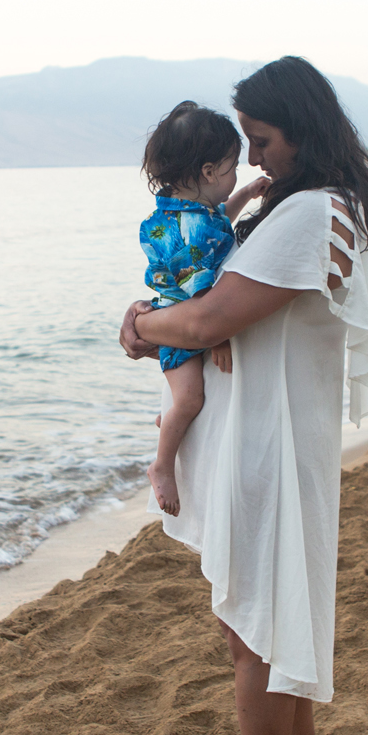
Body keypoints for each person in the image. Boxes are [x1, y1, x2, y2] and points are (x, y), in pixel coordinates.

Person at [120, 57, 368, 735]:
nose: (253, 156)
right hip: (271, 436)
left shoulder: (312, 213)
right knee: (273, 605)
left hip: (268, 443)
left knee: (253, 631)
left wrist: (143, 325)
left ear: (301, 130)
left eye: (262, 139)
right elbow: (205, 307)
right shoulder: (311, 206)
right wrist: (158, 318)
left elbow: (208, 318)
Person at [137, 102, 267, 517]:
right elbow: (201, 294)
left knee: (185, 403)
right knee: (191, 400)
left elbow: (215, 232)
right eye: (232, 171)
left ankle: (170, 425)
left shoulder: (190, 214)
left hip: (175, 320)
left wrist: (244, 196)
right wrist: (221, 337)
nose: (236, 176)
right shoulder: (189, 228)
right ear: (209, 172)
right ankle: (161, 464)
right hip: (181, 329)